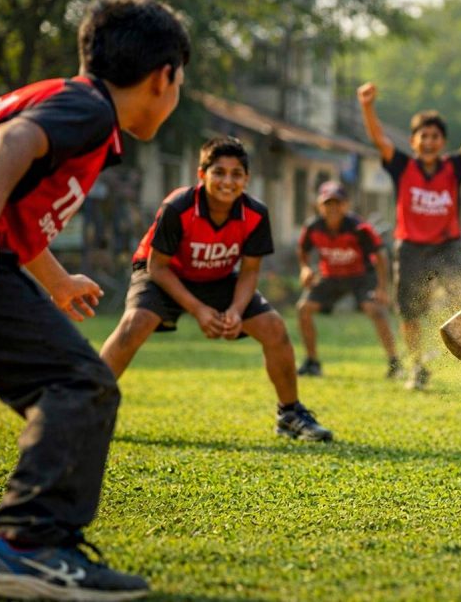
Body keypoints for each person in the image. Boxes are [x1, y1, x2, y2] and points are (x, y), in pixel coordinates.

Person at [0, 0, 188, 600]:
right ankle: (30, 546)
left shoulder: (69, 103)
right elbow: (12, 142)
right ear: (163, 77)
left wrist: (56, 279)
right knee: (80, 383)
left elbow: (18, 205)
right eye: (180, 84)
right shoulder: (88, 108)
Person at [99, 136, 333, 443]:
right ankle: (83, 405)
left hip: (217, 277)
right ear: (201, 175)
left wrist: (235, 312)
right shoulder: (178, 206)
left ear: (246, 179)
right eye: (219, 172)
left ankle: (289, 413)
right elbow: (157, 267)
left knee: (274, 328)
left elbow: (249, 272)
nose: (227, 181)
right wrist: (198, 310)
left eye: (236, 174)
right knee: (134, 324)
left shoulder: (256, 214)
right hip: (164, 272)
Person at [356, 82, 461, 390]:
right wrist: (367, 106)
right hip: (411, 250)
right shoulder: (401, 166)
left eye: (435, 137)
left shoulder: (453, 167)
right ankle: (417, 367)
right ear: (413, 141)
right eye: (424, 136)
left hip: (448, 247)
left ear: (443, 142)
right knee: (409, 312)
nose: (429, 141)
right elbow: (378, 138)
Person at [296, 180, 400, 378]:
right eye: (328, 204)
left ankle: (394, 362)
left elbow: (380, 255)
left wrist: (382, 287)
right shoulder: (313, 227)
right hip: (330, 275)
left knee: (375, 310)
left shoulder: (359, 227)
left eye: (337, 203)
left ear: (346, 205)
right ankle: (312, 362)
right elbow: (302, 249)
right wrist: (305, 268)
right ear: (319, 205)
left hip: (360, 275)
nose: (333, 208)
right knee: (303, 309)